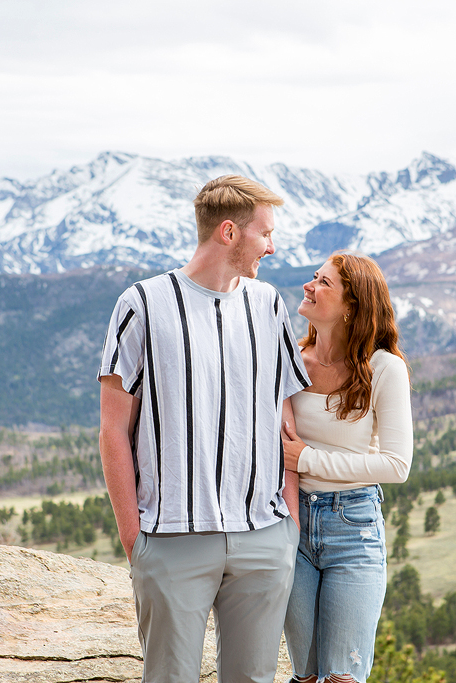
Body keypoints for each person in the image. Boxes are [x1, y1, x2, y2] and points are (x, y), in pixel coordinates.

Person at [98, 174, 311, 683]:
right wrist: (135, 538)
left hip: (263, 537)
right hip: (170, 540)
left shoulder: (269, 305)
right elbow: (112, 430)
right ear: (230, 233)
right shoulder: (142, 304)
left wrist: (289, 525)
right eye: (266, 234)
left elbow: (286, 417)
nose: (272, 246)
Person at [281, 252, 413, 683]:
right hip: (290, 519)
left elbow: (397, 465)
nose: (309, 286)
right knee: (305, 672)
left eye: (323, 283)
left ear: (352, 307)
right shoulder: (291, 360)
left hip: (352, 525)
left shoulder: (384, 368)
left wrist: (308, 459)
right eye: (313, 277)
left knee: (341, 676)